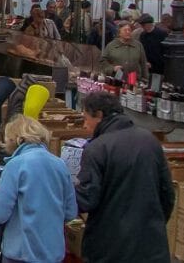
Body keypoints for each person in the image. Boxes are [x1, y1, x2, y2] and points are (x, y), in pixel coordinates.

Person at [76, 91, 174, 263]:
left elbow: (87, 198)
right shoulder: (149, 140)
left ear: (99, 115)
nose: (84, 125)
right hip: (151, 245)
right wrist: (154, 224)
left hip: (109, 247)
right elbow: (167, 193)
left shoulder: (96, 149)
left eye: (85, 118)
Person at [0, 115, 77, 263]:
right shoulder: (60, 165)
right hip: (53, 253)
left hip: (21, 254)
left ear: (16, 139)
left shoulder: (15, 165)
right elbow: (70, 212)